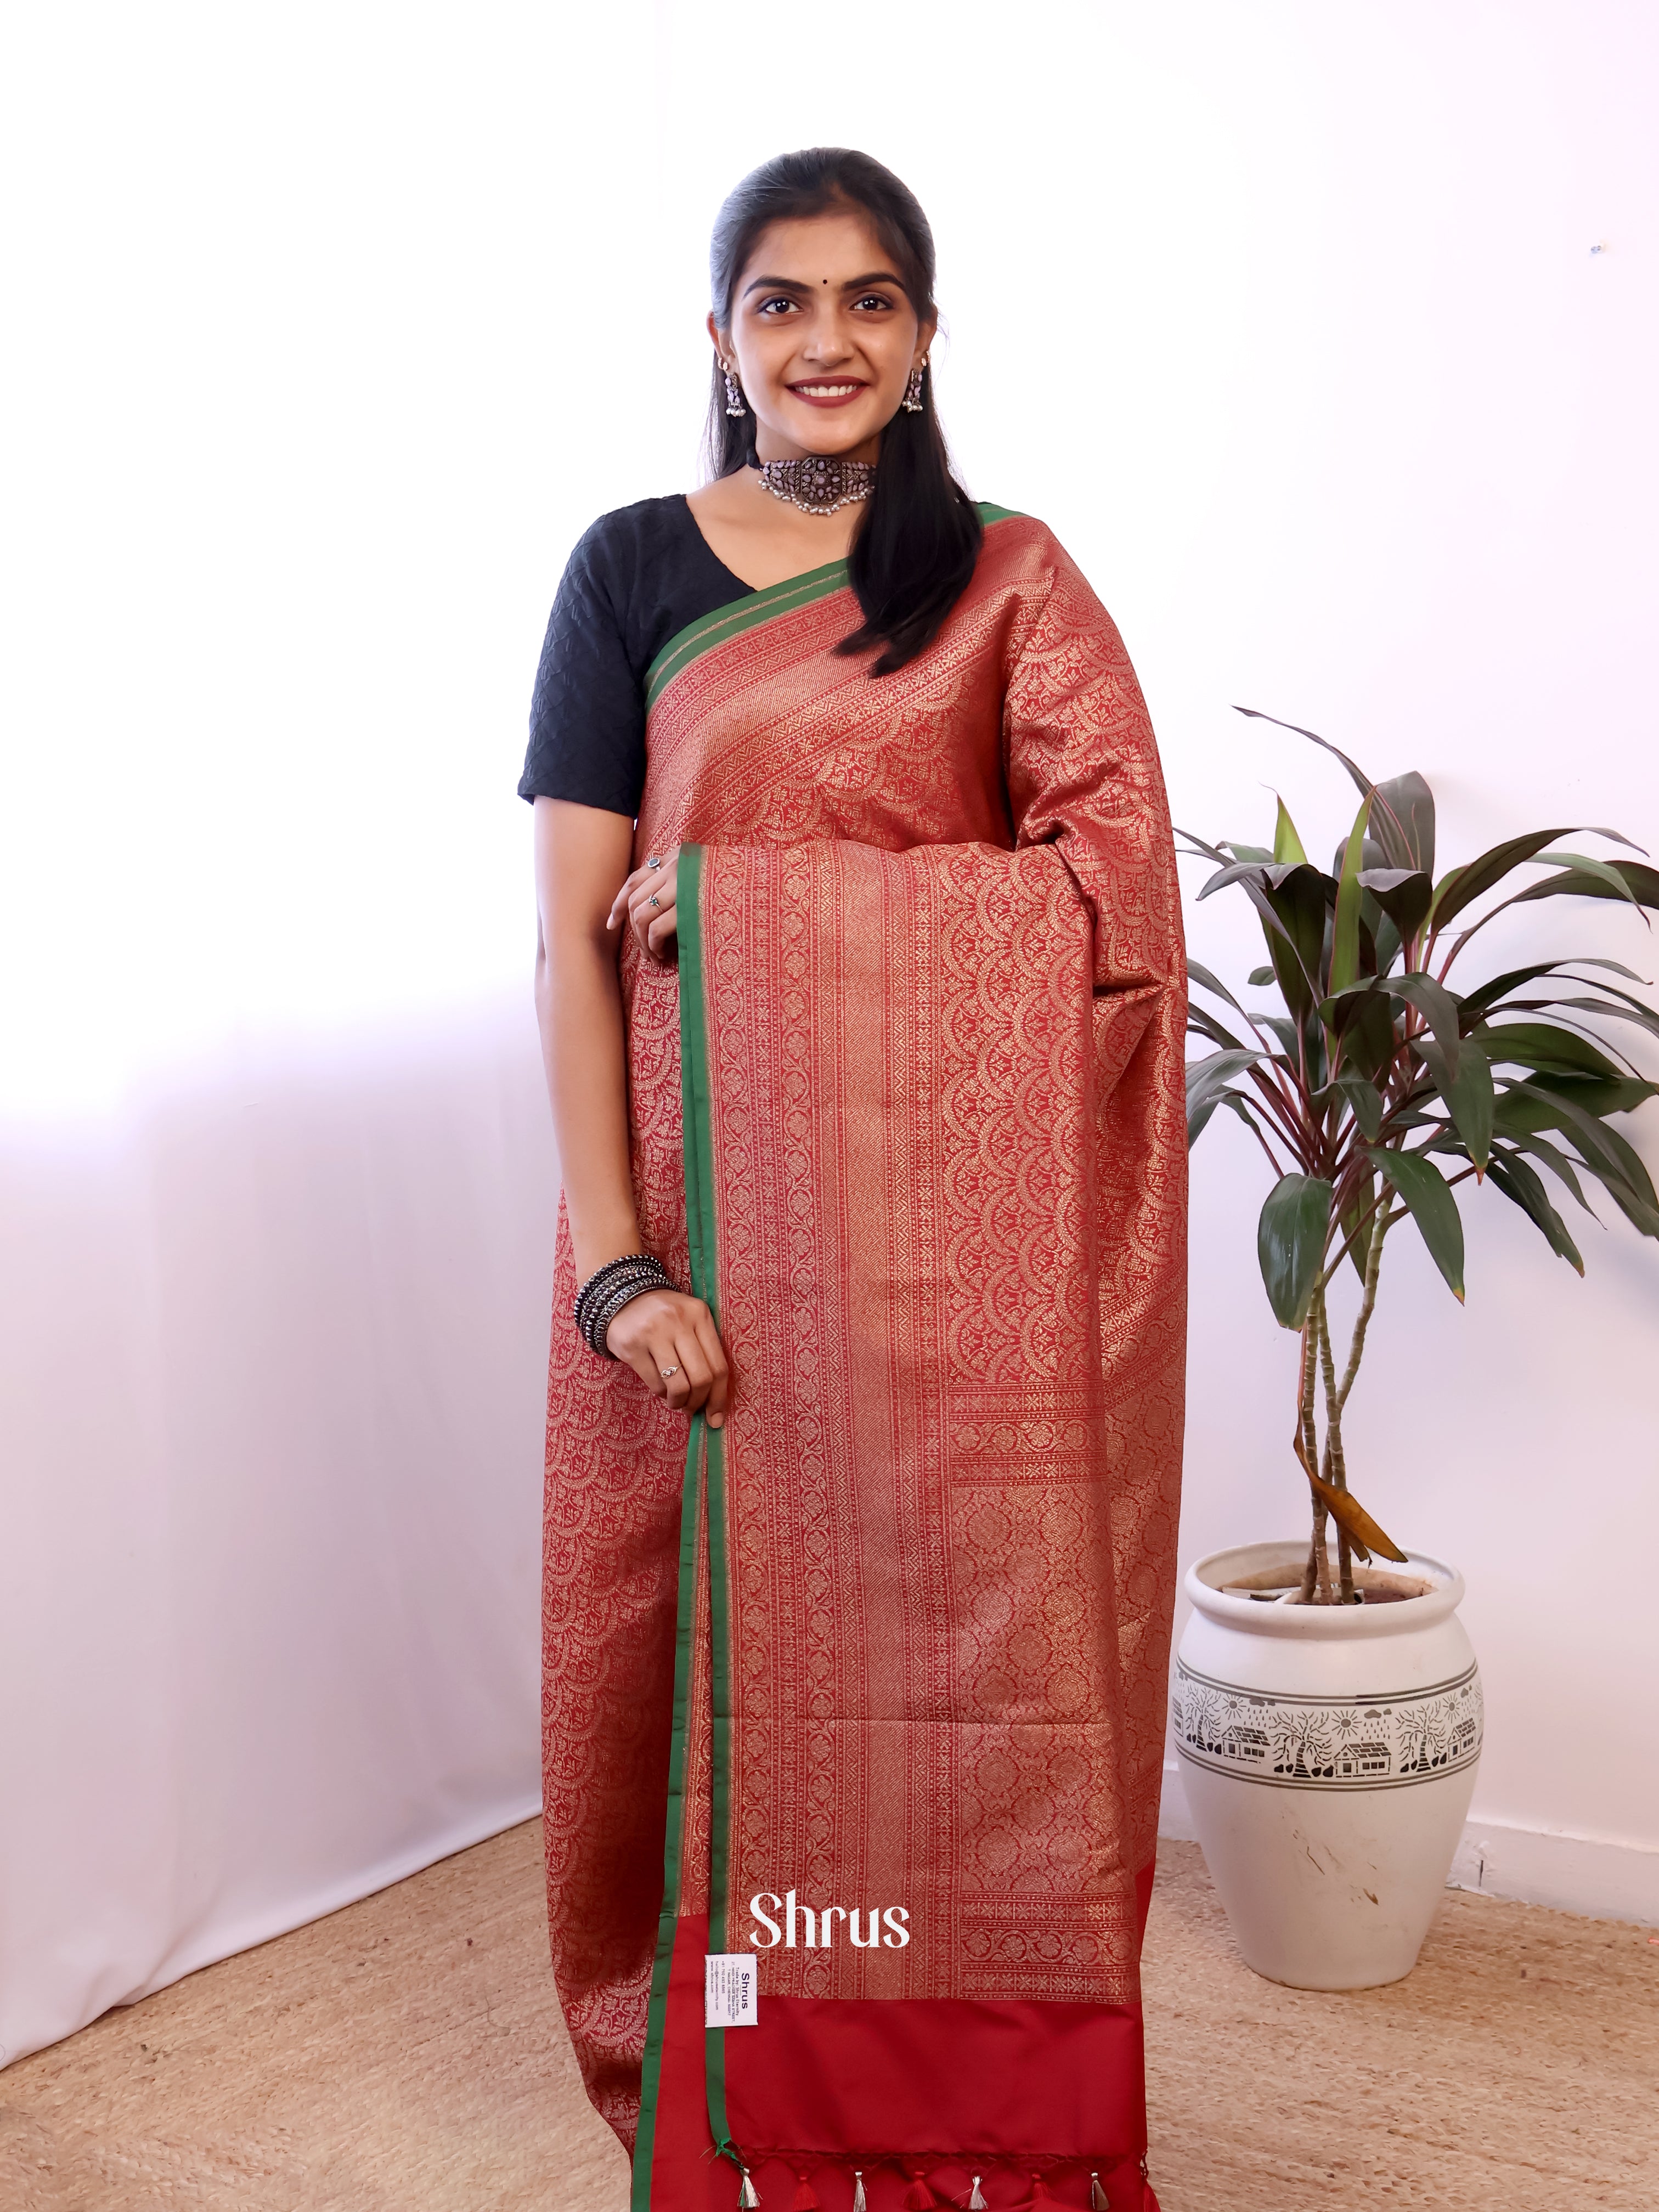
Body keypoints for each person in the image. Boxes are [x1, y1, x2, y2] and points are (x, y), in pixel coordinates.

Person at [522, 145, 1187, 2212]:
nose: (826, 339)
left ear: (923, 339)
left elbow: (1115, 906)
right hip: (697, 1234)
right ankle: (742, 2099)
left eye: (871, 300)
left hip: (956, 1271)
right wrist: (619, 1276)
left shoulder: (1009, 577)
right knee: (687, 1670)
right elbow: (568, 943)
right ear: (720, 342)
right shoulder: (630, 568)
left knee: (971, 1688)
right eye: (782, 301)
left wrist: (743, 907)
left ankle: (968, 2112)